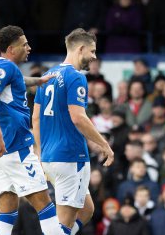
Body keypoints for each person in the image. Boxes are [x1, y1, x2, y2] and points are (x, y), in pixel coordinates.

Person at [0, 25, 64, 235]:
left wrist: (38, 81)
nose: (29, 47)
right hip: (15, 146)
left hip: (0, 152)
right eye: (24, 44)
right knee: (46, 206)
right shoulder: (6, 68)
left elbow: (15, 80)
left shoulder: (3, 67)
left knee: (7, 213)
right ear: (11, 49)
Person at [32, 28, 115, 235]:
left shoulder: (47, 75)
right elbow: (78, 117)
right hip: (70, 157)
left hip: (51, 157)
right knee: (62, 225)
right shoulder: (76, 77)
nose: (94, 56)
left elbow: (35, 117)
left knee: (87, 210)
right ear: (81, 49)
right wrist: (104, 145)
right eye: (93, 51)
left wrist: (40, 151)